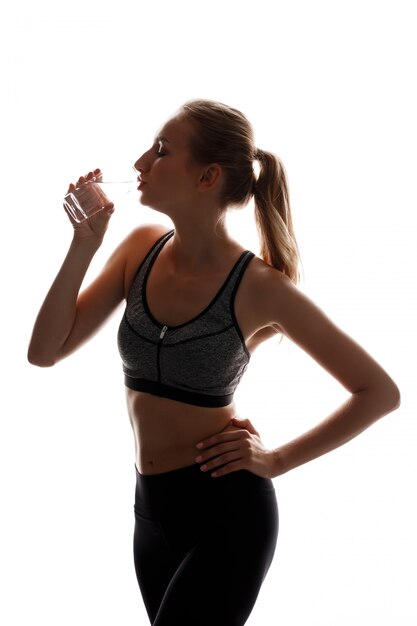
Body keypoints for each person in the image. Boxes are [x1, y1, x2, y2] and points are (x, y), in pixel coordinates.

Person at [28, 99, 400, 626]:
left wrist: (278, 461)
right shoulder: (140, 249)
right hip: (149, 512)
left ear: (207, 176)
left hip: (227, 513)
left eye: (161, 150)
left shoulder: (261, 288)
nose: (140, 163)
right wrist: (83, 245)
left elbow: (379, 392)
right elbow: (44, 352)